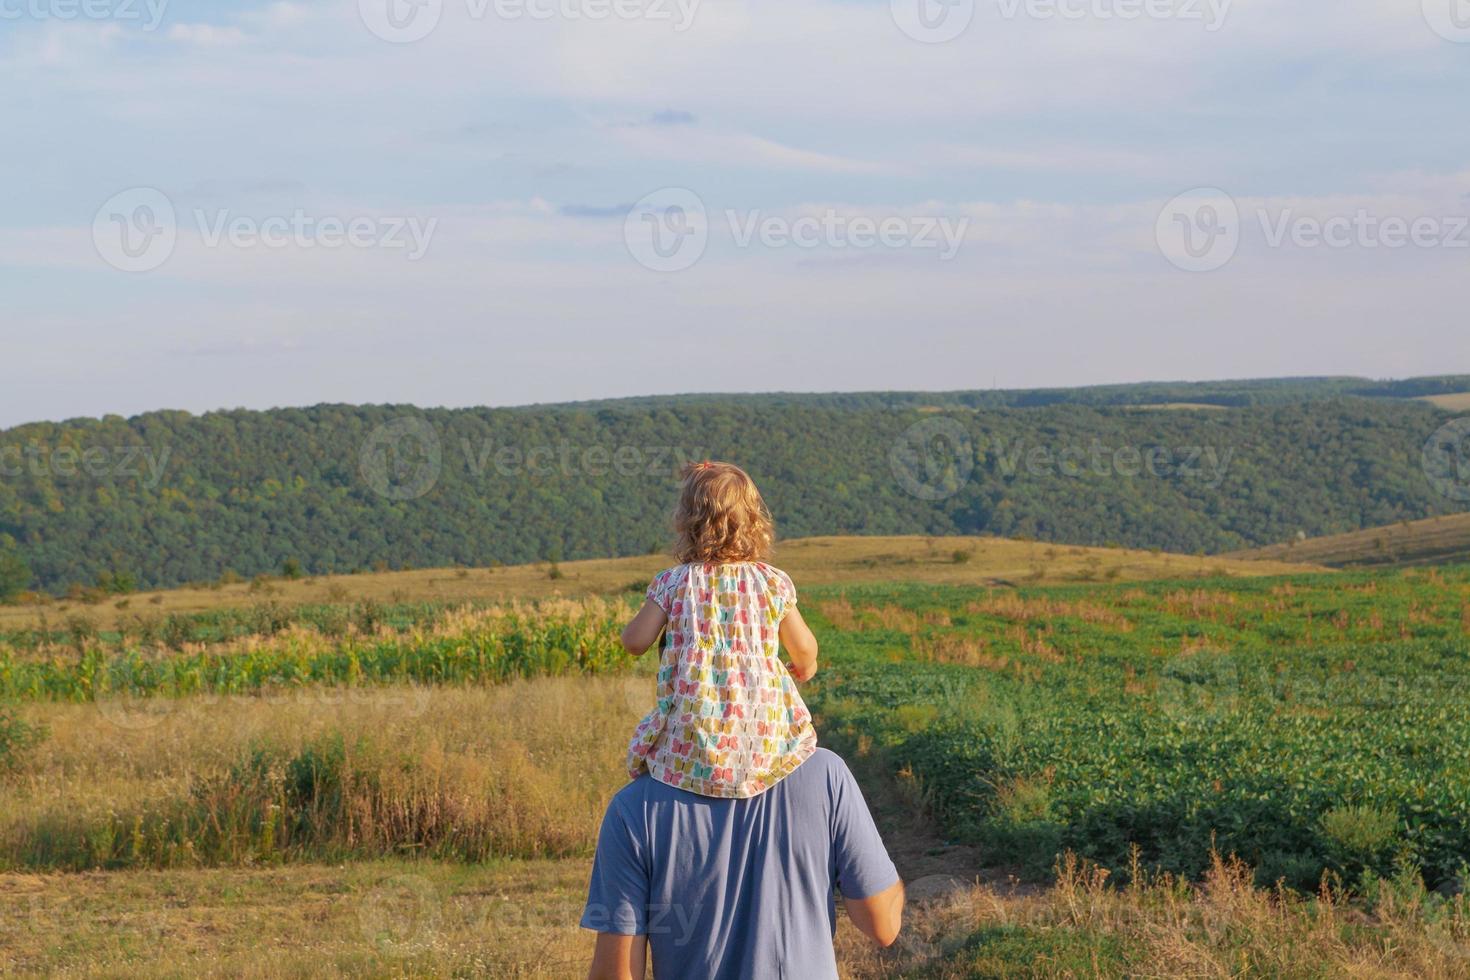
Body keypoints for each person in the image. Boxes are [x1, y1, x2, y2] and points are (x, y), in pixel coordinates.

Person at [581, 746, 905, 979]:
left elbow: (616, 972)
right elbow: (883, 926)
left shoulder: (634, 806)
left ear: (668, 675)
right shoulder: (826, 774)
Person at [621, 460, 819, 799]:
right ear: (754, 521)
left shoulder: (673, 582)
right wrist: (806, 667)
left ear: (687, 523)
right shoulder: (771, 581)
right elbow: (804, 650)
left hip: (691, 739)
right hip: (764, 736)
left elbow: (635, 642)